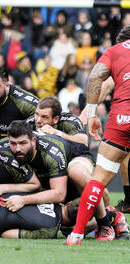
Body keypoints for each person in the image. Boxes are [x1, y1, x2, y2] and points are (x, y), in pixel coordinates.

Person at [0, 120, 129, 240]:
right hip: (52, 177)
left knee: (76, 172)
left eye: (22, 143)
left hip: (76, 160)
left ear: (33, 140)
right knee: (65, 225)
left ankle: (105, 224)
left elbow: (59, 194)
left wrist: (22, 200)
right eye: (13, 144)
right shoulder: (4, 147)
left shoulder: (50, 152)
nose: (17, 149)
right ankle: (111, 215)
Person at [65, 25, 130, 245]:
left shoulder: (114, 52)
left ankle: (76, 235)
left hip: (121, 119)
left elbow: (95, 78)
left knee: (98, 179)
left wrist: (91, 114)